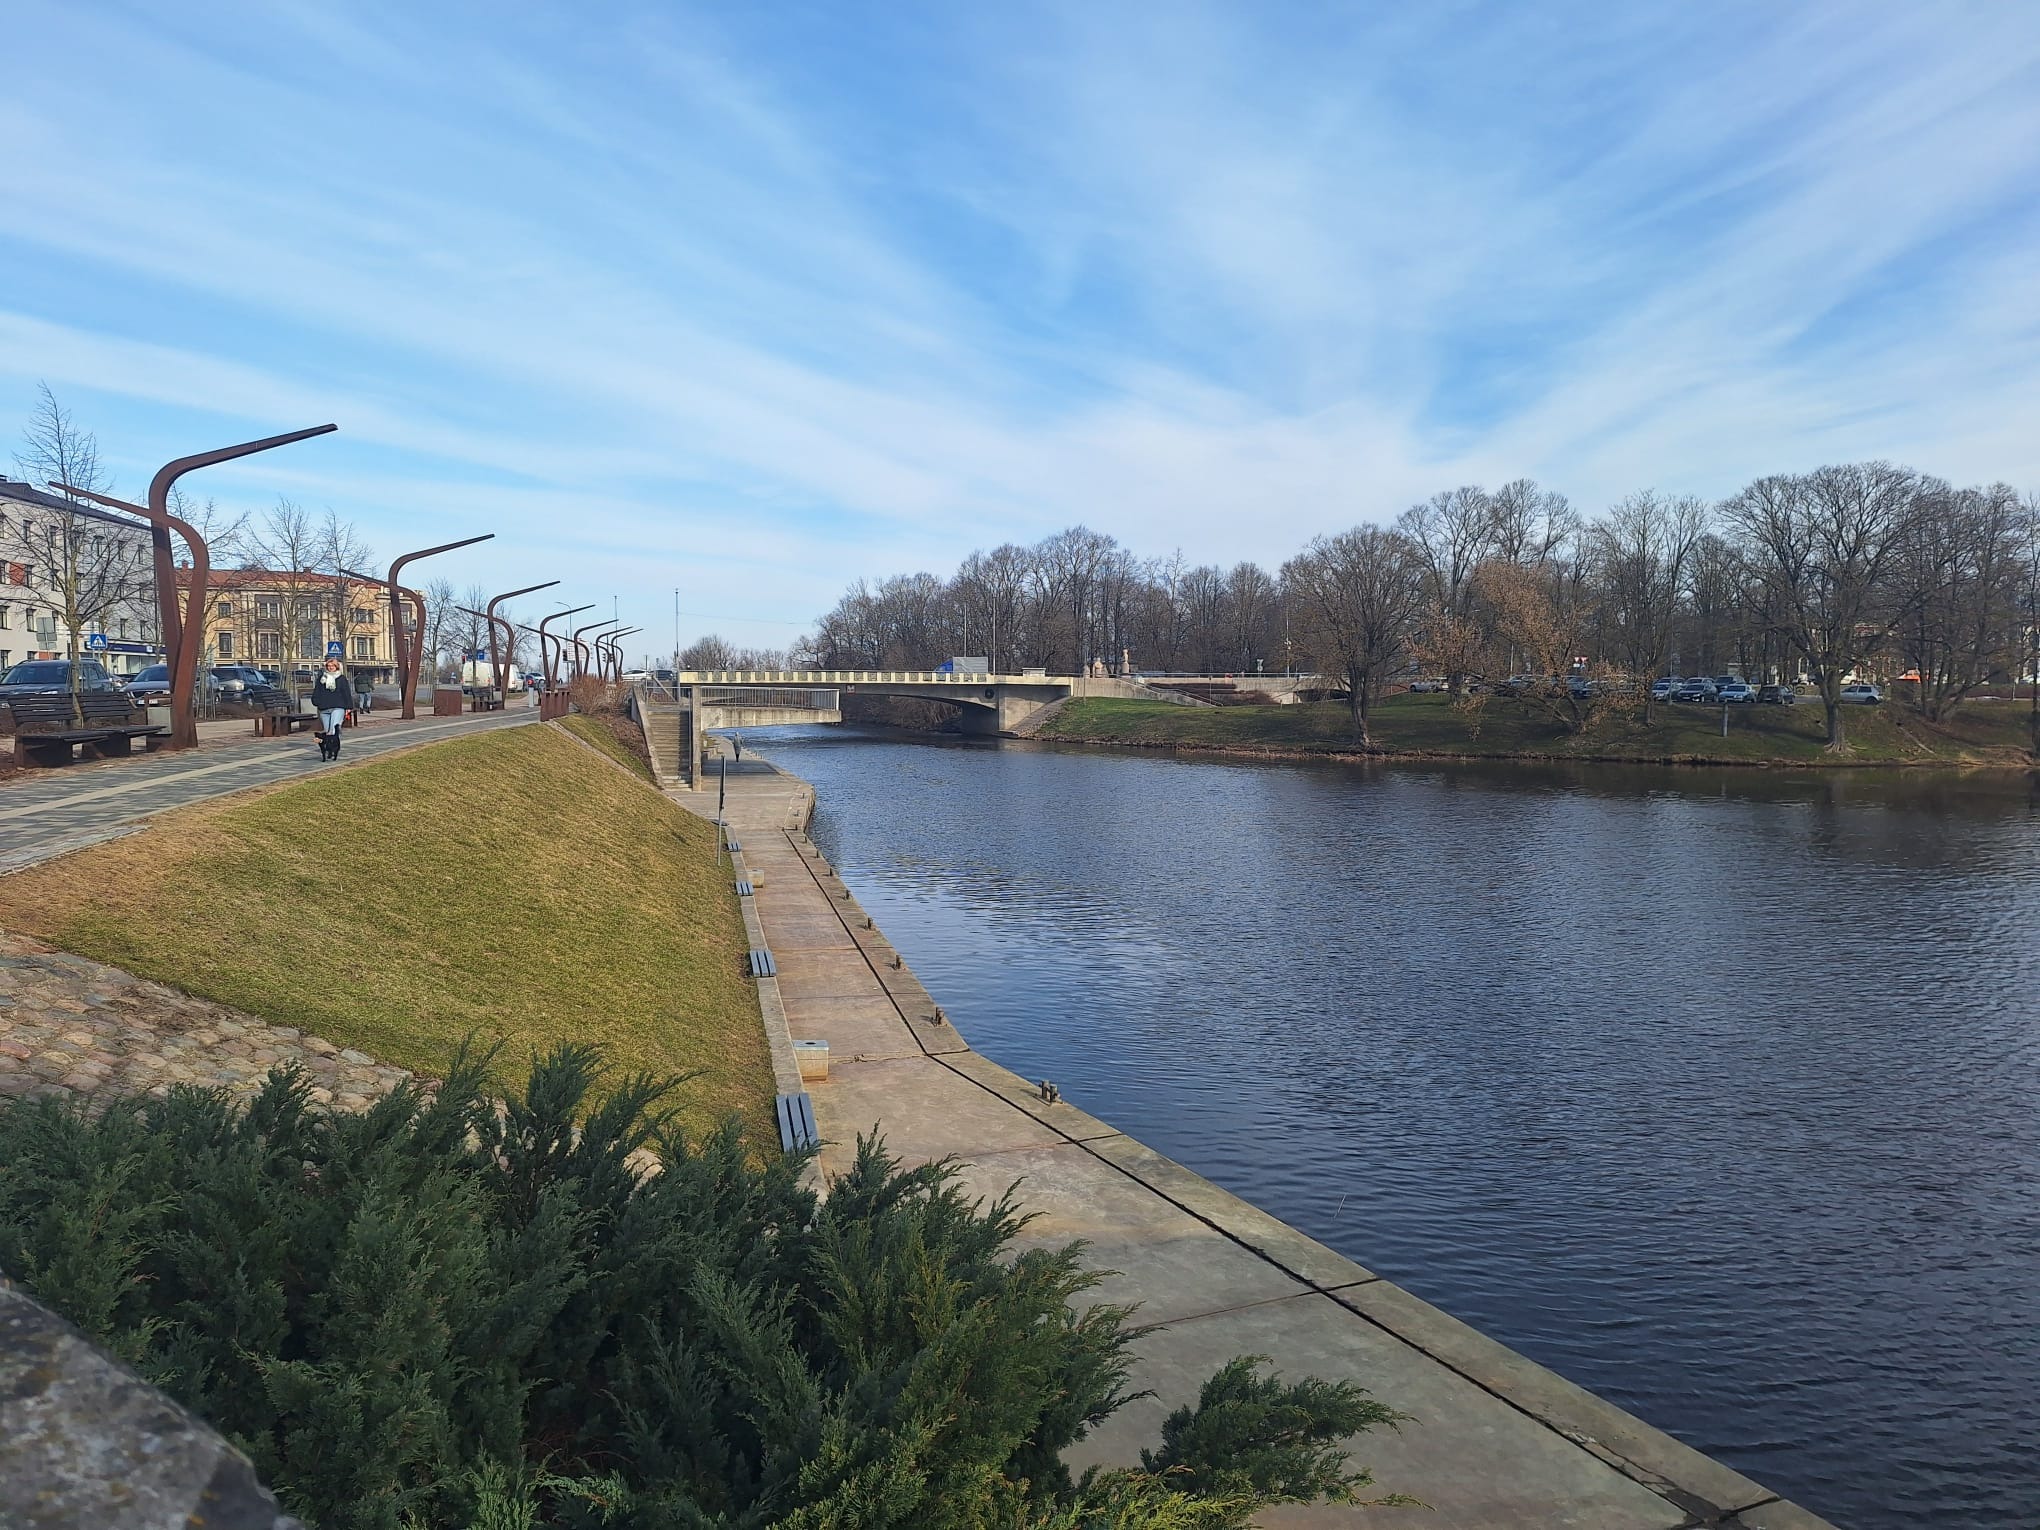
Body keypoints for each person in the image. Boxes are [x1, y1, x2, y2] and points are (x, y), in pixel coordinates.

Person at [311, 657, 354, 761]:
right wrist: (316, 701)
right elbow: (317, 691)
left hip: (338, 707)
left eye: (332, 666)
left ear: (336, 667)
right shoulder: (322, 678)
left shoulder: (341, 678)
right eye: (328, 666)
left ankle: (333, 749)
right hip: (324, 708)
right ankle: (330, 748)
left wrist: (348, 707)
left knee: (333, 730)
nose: (330, 668)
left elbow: (346, 693)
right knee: (327, 731)